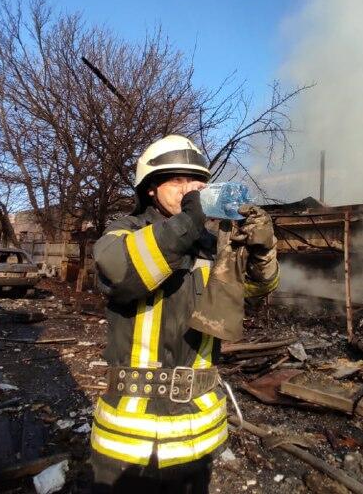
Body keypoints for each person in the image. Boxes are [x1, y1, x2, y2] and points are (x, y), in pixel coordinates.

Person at [89, 135, 279, 492]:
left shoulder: (212, 246)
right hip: (130, 444)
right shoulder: (125, 231)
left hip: (197, 437)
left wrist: (262, 251)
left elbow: (252, 293)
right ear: (150, 188)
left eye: (196, 182)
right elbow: (119, 271)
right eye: (177, 180)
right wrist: (190, 221)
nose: (189, 189)